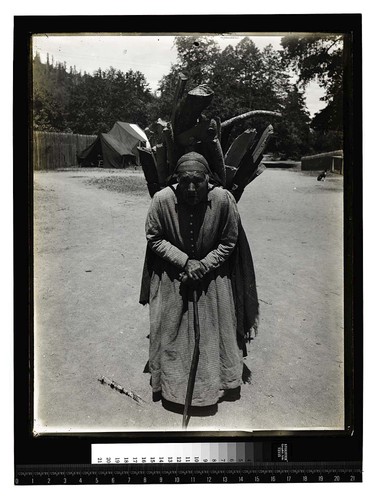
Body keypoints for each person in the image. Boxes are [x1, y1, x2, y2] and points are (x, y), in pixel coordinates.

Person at [141, 151, 258, 409]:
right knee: (171, 331)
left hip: (212, 276)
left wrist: (203, 265)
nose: (191, 188)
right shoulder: (162, 201)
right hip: (174, 274)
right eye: (185, 181)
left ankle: (215, 385)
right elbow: (154, 237)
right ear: (176, 181)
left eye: (198, 181)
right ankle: (172, 388)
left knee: (216, 329)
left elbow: (229, 242)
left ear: (209, 180)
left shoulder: (223, 200)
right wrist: (185, 261)